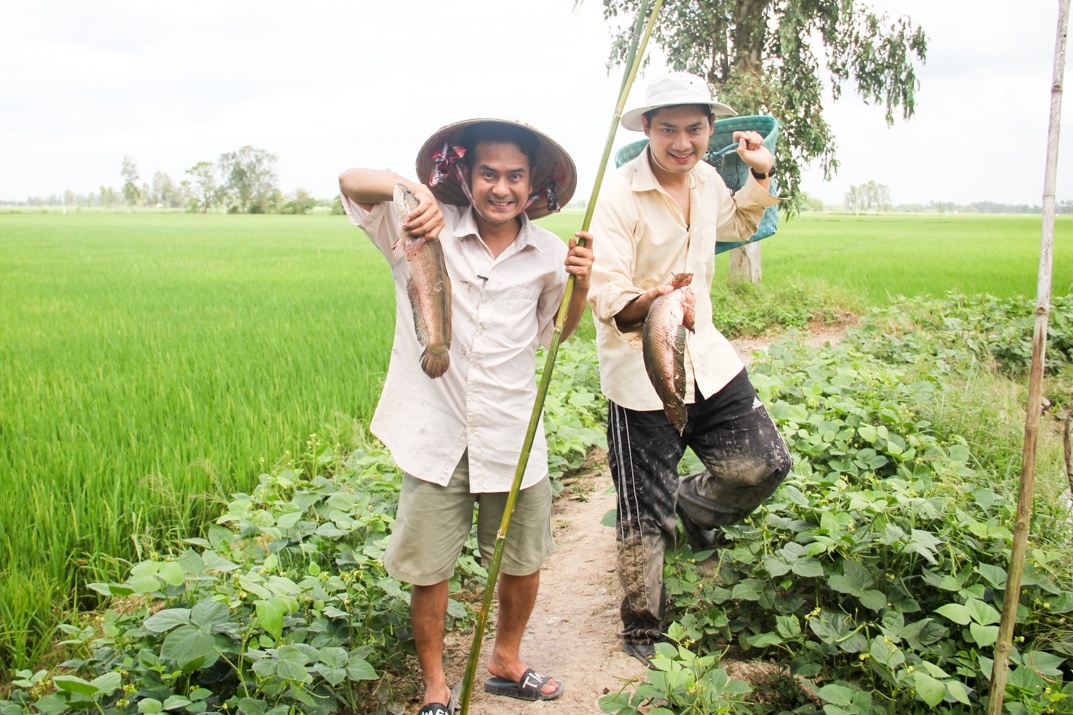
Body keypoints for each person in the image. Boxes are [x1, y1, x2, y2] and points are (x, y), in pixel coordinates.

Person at [338, 118, 593, 715]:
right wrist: (413, 190)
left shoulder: (551, 254)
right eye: (487, 173)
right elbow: (351, 181)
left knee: (523, 558)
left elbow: (556, 333)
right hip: (436, 432)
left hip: (512, 430)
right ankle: (434, 687)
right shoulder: (422, 228)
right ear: (464, 175)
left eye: (514, 176)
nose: (500, 188)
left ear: (533, 186)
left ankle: (506, 660)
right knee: (429, 568)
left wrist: (581, 287)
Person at [587, 72, 793, 665]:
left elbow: (740, 225)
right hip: (641, 367)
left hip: (707, 356)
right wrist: (651, 300)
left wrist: (759, 172)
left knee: (763, 465)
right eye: (669, 129)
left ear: (711, 130)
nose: (683, 141)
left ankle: (686, 505)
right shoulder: (619, 196)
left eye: (695, 128)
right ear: (647, 129)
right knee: (640, 510)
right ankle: (643, 628)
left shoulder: (706, 181)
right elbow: (606, 294)